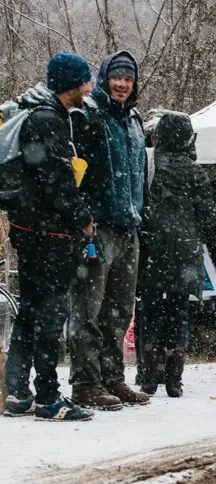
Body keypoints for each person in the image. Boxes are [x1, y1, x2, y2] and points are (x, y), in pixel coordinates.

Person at [2, 53, 95, 421]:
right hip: (49, 234)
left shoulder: (33, 112)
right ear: (71, 84)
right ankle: (48, 398)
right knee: (50, 316)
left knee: (29, 312)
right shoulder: (48, 119)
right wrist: (83, 220)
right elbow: (57, 182)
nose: (89, 89)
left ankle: (17, 394)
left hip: (28, 229)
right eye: (85, 82)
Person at [68, 51, 151, 410]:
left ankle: (113, 378)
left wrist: (141, 211)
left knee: (119, 310)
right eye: (117, 77)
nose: (122, 84)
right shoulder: (89, 115)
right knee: (89, 310)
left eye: (128, 79)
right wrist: (82, 215)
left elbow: (140, 174)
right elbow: (73, 170)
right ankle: (86, 383)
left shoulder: (133, 119)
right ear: (105, 79)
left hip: (128, 227)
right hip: (96, 226)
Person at [136, 112, 215, 397]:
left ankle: (148, 377)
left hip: (152, 249)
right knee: (179, 315)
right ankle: (174, 380)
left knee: (150, 313)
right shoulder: (196, 171)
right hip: (185, 253)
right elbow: (209, 216)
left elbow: (139, 200)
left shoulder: (147, 163)